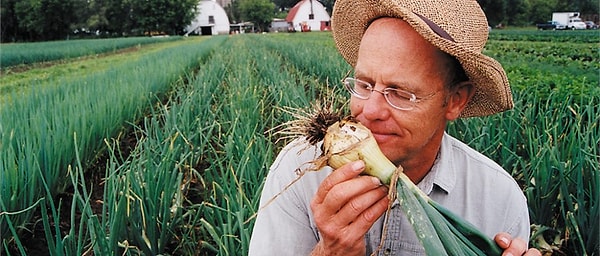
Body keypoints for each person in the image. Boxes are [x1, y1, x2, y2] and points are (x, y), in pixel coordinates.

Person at [249, 0, 541, 255]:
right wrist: (329, 253)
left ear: (455, 100)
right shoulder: (299, 168)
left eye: (400, 93)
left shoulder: (498, 200)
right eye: (364, 85)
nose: (370, 110)